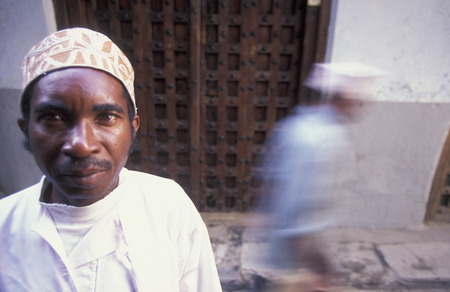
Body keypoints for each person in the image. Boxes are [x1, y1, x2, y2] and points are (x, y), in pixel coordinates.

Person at [0, 27, 222, 291]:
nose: (81, 145)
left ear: (133, 126)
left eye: (106, 117)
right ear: (25, 128)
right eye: (54, 118)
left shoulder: (167, 207)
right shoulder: (4, 226)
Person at [256, 63, 384, 291]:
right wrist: (322, 268)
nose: (362, 108)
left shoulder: (300, 125)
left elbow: (273, 181)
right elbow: (302, 211)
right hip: (301, 250)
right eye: (360, 102)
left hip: (293, 245)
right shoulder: (324, 140)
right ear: (344, 99)